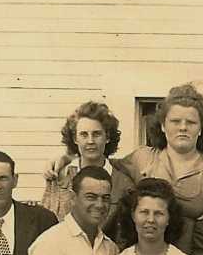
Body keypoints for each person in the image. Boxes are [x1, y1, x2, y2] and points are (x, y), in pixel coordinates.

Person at [46, 83, 203, 250]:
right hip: (144, 252)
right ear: (162, 126)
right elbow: (100, 161)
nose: (183, 127)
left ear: (201, 128)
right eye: (175, 121)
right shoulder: (142, 158)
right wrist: (65, 157)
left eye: (191, 122)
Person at [42, 101, 135, 238]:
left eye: (96, 134)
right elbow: (46, 222)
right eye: (84, 134)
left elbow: (126, 234)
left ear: (107, 137)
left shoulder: (124, 184)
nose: (90, 141)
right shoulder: (60, 176)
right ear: (75, 139)